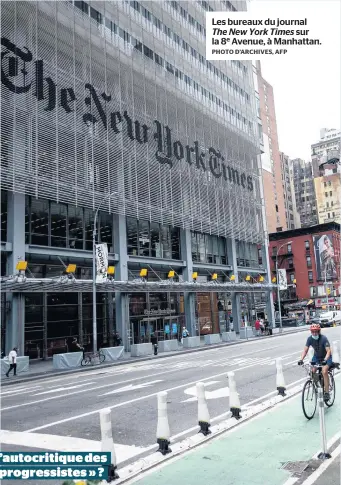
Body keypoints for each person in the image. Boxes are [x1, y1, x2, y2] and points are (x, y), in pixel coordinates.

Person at [298, 323, 332, 401]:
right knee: (312, 372)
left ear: (319, 331)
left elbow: (328, 351)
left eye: (316, 331)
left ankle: (326, 393)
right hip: (316, 357)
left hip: (326, 357)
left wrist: (325, 360)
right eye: (312, 332)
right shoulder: (310, 339)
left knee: (324, 371)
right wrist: (301, 359)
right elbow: (305, 350)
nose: (314, 333)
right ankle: (319, 385)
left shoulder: (324, 338)